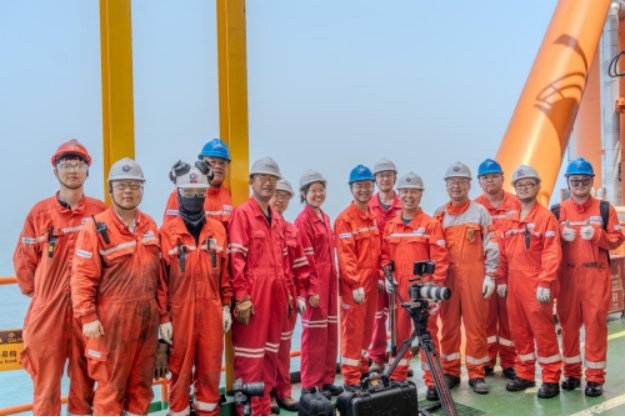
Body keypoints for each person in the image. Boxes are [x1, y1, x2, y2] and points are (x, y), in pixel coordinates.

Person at [13, 140, 105, 416]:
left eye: (78, 165)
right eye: (66, 165)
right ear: (55, 171)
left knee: (85, 383)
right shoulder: (40, 213)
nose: (72, 170)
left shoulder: (100, 212)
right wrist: (42, 294)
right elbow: (24, 262)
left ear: (87, 170)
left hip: (87, 312)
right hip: (47, 313)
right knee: (45, 386)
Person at [72, 158, 161, 416]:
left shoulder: (150, 225)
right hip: (111, 322)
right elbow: (82, 277)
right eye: (121, 185)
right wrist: (88, 317)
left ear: (142, 189)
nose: (128, 191)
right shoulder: (94, 228)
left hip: (148, 318)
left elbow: (160, 276)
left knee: (142, 386)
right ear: (110, 189)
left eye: (134, 185)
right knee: (111, 387)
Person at [158, 160, 233, 416]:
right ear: (178, 195)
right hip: (179, 317)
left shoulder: (218, 231)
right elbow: (160, 283)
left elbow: (225, 274)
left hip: (212, 314)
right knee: (179, 375)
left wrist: (226, 306)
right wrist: (163, 320)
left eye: (199, 192)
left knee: (210, 374)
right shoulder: (166, 233)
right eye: (188, 192)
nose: (194, 197)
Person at [556, 158, 624, 397]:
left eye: (584, 180)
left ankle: (595, 378)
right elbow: (545, 245)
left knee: (595, 327)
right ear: (568, 182)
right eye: (575, 181)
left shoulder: (605, 209)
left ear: (592, 181)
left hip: (596, 275)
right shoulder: (557, 211)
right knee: (568, 327)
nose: (579, 185)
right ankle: (571, 374)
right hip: (567, 277)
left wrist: (597, 235)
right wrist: (559, 237)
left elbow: (616, 239)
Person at [228, 157, 290, 417]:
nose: (268, 182)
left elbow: (282, 260)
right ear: (251, 181)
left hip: (276, 295)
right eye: (262, 177)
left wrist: (287, 294)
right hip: (254, 295)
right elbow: (236, 258)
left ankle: (263, 409)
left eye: (272, 178)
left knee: (269, 356)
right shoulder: (242, 213)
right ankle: (248, 411)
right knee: (249, 358)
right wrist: (242, 297)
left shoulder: (277, 218)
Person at [382, 172, 450, 402]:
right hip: (399, 291)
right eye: (404, 192)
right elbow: (384, 257)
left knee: (428, 337)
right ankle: (397, 379)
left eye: (413, 191)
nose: (408, 196)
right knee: (399, 336)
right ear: (398, 195)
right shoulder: (390, 226)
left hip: (423, 291)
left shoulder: (431, 225)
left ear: (421, 194)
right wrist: (386, 277)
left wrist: (434, 290)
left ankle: (433, 382)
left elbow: (440, 259)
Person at [434, 162, 498, 395]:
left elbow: (492, 245)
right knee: (448, 325)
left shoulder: (480, 212)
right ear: (446, 186)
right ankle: (450, 371)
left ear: (469, 185)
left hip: (474, 275)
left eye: (461, 181)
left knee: (475, 325)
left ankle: (476, 373)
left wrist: (490, 275)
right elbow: (433, 249)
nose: (456, 186)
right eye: (452, 182)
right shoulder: (439, 214)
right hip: (447, 276)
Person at [499, 165, 563, 399]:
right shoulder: (510, 219)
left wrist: (545, 283)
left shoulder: (545, 217)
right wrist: (501, 279)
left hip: (536, 284)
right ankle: (525, 374)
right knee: (519, 331)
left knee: (543, 332)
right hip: (514, 283)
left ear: (538, 186)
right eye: (519, 185)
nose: (524, 188)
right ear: (514, 188)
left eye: (528, 184)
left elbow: (551, 253)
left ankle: (550, 378)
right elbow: (502, 253)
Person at [295, 170, 343, 399]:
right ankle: (310, 384)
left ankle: (326, 380)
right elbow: (306, 259)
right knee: (313, 336)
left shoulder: (325, 217)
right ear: (303, 193)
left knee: (330, 333)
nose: (318, 194)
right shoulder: (303, 220)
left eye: (321, 190)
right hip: (315, 285)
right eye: (313, 190)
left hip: (329, 283)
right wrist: (312, 289)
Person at [334, 165, 382, 392]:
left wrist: (379, 276)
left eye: (368, 185)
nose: (364, 190)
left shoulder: (372, 217)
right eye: (359, 186)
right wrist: (354, 283)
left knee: (367, 328)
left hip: (371, 281)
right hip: (355, 285)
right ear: (351, 188)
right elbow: (346, 255)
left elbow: (378, 251)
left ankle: (363, 369)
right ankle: (351, 378)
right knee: (353, 331)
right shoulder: (345, 219)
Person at [267, 179, 312, 413]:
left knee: (283, 349)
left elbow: (301, 267)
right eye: (277, 194)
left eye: (285, 196)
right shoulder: (262, 227)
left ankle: (283, 392)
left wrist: (301, 295)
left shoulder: (292, 230)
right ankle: (268, 395)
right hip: (267, 296)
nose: (280, 199)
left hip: (289, 298)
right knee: (267, 349)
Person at [474, 159, 519, 380]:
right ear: (479, 181)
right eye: (485, 177)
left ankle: (510, 362)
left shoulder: (517, 203)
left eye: (494, 176)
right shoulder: (474, 208)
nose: (490, 180)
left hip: (513, 273)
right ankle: (488, 360)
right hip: (485, 275)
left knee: (511, 320)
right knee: (485, 319)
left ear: (502, 178)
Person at [368, 158, 403, 374]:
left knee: (399, 316)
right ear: (375, 179)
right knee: (377, 317)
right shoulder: (368, 206)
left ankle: (399, 358)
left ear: (395, 178)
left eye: (389, 175)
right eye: (381, 175)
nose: (385, 179)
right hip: (374, 270)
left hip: (399, 269)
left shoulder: (404, 204)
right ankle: (377, 358)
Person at [163, 139, 233, 228]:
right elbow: (168, 230)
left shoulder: (232, 196)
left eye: (222, 163)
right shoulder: (181, 194)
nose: (218, 166)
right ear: (201, 164)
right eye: (212, 162)